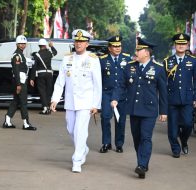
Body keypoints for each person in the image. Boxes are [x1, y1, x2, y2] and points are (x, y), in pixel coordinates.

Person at [112, 37, 168, 179]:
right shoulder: (129, 66)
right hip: (134, 109)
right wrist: (115, 98)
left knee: (146, 137)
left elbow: (163, 92)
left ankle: (141, 165)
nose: (136, 52)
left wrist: (163, 111)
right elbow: (120, 85)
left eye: (139, 50)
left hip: (149, 110)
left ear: (147, 53)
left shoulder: (158, 69)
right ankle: (143, 162)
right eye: (136, 49)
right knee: (137, 138)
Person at [50, 29, 102, 173]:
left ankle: (77, 160)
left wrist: (96, 104)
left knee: (80, 129)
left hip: (86, 102)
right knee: (71, 128)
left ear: (87, 43)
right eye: (76, 41)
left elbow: (98, 84)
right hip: (71, 101)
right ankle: (83, 148)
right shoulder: (67, 58)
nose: (78, 44)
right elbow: (60, 81)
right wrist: (55, 99)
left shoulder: (93, 59)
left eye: (81, 41)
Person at [163, 33, 196, 158]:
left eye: (183, 44)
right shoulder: (168, 61)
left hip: (187, 99)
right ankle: (175, 148)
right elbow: (163, 82)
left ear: (187, 45)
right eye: (178, 44)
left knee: (188, 124)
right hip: (172, 99)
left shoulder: (193, 61)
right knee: (173, 130)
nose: (181, 46)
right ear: (175, 45)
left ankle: (184, 141)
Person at [99, 35, 132, 153]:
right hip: (107, 93)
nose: (118, 48)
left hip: (122, 95)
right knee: (105, 117)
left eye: (119, 46)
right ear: (109, 48)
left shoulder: (128, 59)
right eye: (115, 46)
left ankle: (119, 144)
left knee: (120, 120)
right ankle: (106, 143)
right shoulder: (102, 60)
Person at [2, 35, 36, 131]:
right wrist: (18, 84)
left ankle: (7, 121)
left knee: (16, 101)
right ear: (17, 44)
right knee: (23, 102)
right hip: (20, 81)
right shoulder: (17, 55)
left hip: (20, 80)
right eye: (20, 44)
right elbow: (16, 71)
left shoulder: (21, 55)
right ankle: (26, 124)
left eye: (24, 44)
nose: (22, 45)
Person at [30, 39, 57, 114]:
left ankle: (45, 108)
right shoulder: (49, 53)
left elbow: (34, 67)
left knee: (42, 91)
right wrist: (51, 46)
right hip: (49, 74)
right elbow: (55, 52)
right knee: (48, 91)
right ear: (45, 45)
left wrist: (32, 78)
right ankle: (48, 107)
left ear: (39, 46)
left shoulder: (37, 55)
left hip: (40, 74)